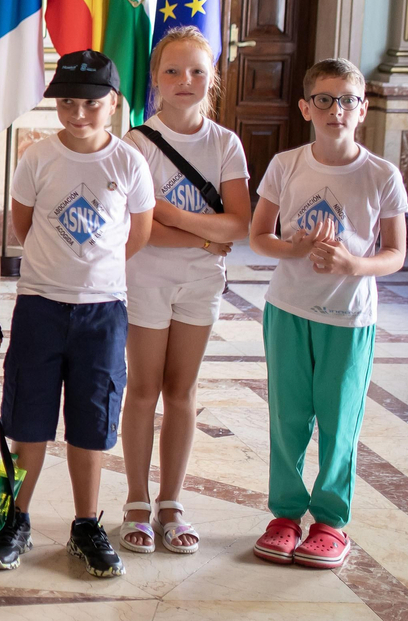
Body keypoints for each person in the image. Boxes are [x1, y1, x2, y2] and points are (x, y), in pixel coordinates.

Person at [0, 50, 154, 578]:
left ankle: (86, 523)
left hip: (103, 312)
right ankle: (16, 518)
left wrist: (96, 273)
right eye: (66, 103)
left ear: (114, 103)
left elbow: (139, 231)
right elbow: (24, 224)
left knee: (92, 421)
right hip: (40, 304)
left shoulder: (128, 162)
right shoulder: (37, 157)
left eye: (90, 103)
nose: (78, 114)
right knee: (28, 419)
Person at [248, 58, 408, 570]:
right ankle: (285, 516)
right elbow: (258, 237)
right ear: (305, 107)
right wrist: (292, 247)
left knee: (340, 421)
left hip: (349, 317)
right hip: (289, 309)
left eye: (346, 101)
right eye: (324, 99)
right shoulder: (286, 165)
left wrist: (352, 262)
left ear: (362, 110)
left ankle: (330, 523)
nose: (335, 109)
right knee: (288, 418)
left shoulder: (381, 175)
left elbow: (396, 253)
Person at [118, 27, 251, 556]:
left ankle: (171, 501)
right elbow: (142, 228)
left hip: (201, 284)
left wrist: (177, 219)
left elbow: (240, 224)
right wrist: (199, 230)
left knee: (182, 391)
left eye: (197, 71)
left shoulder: (225, 144)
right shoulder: (136, 143)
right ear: (154, 79)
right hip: (146, 278)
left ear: (212, 79)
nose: (185, 81)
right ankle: (135, 499)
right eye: (172, 71)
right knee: (144, 389)